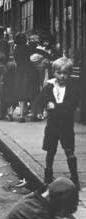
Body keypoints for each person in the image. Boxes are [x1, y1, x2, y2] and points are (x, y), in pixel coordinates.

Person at [33, 57, 81, 189]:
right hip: (52, 125)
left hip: (66, 125)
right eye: (59, 73)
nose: (62, 76)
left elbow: (71, 105)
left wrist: (54, 107)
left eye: (65, 73)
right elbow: (39, 100)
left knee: (69, 150)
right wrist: (39, 110)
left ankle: (74, 178)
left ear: (69, 74)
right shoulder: (49, 86)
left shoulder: (72, 87)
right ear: (54, 72)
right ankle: (48, 175)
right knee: (50, 150)